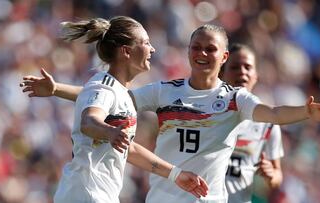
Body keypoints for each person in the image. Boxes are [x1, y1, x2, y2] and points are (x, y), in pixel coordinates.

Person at [20, 24, 320, 203]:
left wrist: (305, 112)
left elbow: (273, 113)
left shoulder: (235, 98)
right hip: (163, 197)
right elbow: (111, 98)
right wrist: (58, 88)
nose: (202, 54)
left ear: (223, 56)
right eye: (196, 47)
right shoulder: (165, 91)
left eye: (210, 49)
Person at [20, 16, 209, 203]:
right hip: (87, 193)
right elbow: (89, 121)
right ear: (126, 51)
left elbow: (130, 148)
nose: (152, 49)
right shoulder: (104, 85)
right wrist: (109, 132)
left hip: (94, 194)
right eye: (145, 43)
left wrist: (175, 174)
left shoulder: (117, 92)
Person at [220, 43, 283, 203]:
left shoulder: (267, 123)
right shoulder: (203, 113)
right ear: (221, 73)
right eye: (235, 67)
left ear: (256, 76)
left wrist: (271, 175)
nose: (242, 71)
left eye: (248, 67)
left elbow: (277, 175)